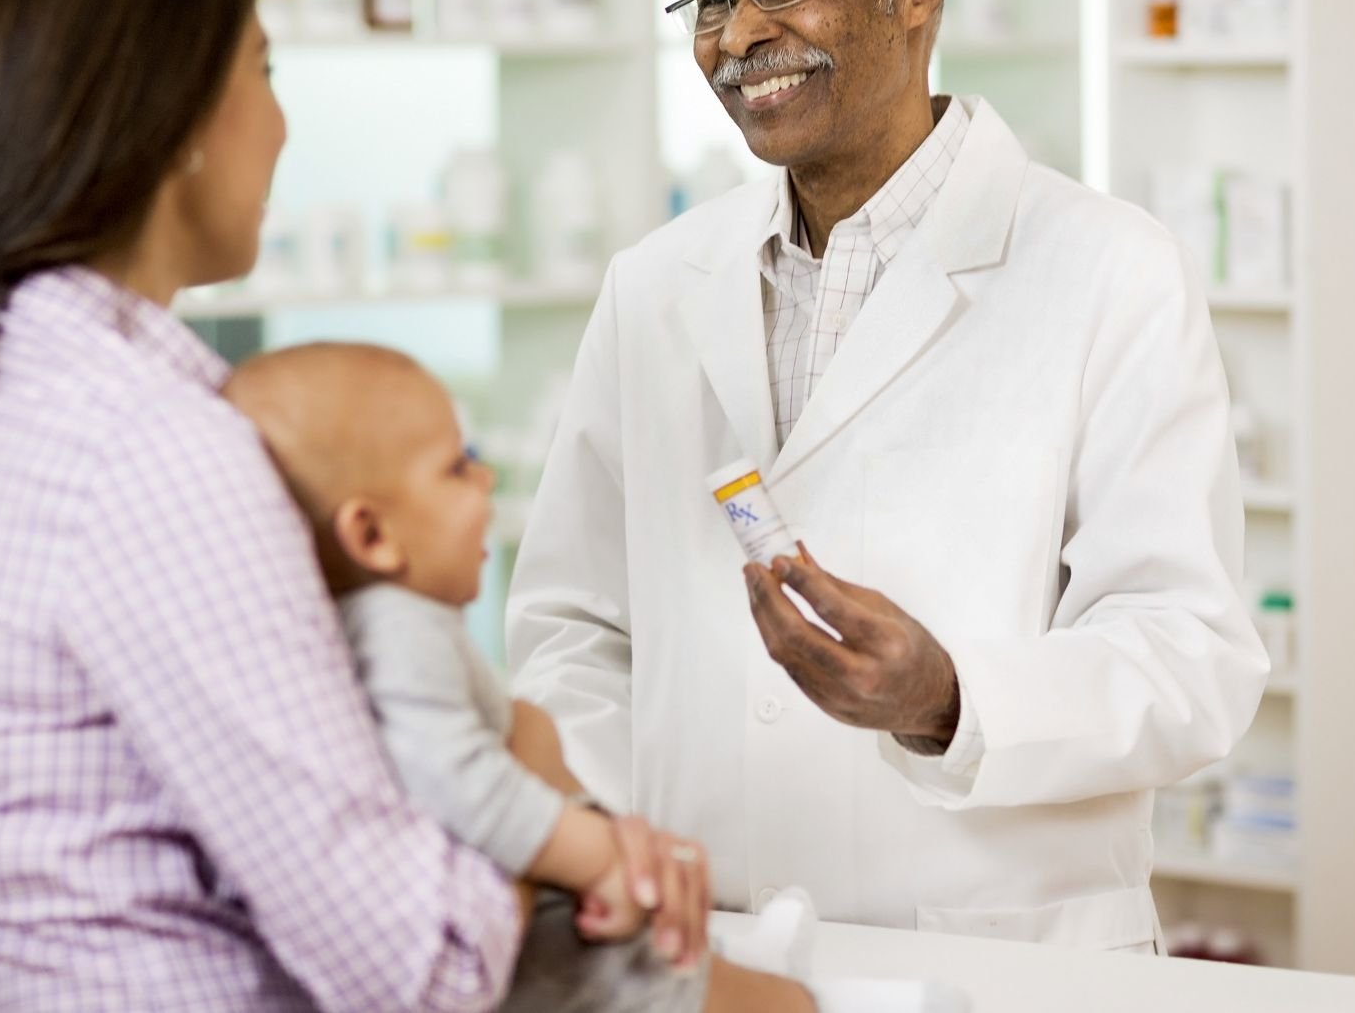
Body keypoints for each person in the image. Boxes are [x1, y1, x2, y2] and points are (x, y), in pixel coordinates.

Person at [0, 0, 706, 1011]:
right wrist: (524, 782)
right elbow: (421, 967)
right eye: (263, 72)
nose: (281, 122)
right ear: (173, 131)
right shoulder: (154, 456)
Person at [506, 0, 1270, 953]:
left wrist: (946, 697)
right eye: (710, 0)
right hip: (711, 953)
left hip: (1000, 956)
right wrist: (611, 838)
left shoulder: (1108, 268)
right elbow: (573, 625)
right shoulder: (656, 286)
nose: (740, 35)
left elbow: (1186, 650)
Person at [224, 343, 963, 1013]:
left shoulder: (385, 625)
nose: (483, 480)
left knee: (675, 970)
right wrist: (600, 855)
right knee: (658, 984)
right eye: (456, 469)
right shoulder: (400, 631)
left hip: (521, 879)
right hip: (508, 917)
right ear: (372, 536)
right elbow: (460, 781)